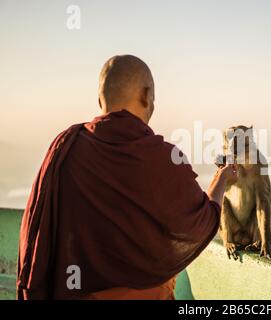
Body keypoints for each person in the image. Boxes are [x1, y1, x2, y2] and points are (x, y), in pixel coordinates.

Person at [17, 54, 237, 300]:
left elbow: (37, 234)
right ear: (146, 96)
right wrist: (223, 177)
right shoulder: (162, 158)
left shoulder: (66, 148)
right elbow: (201, 222)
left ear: (100, 99)